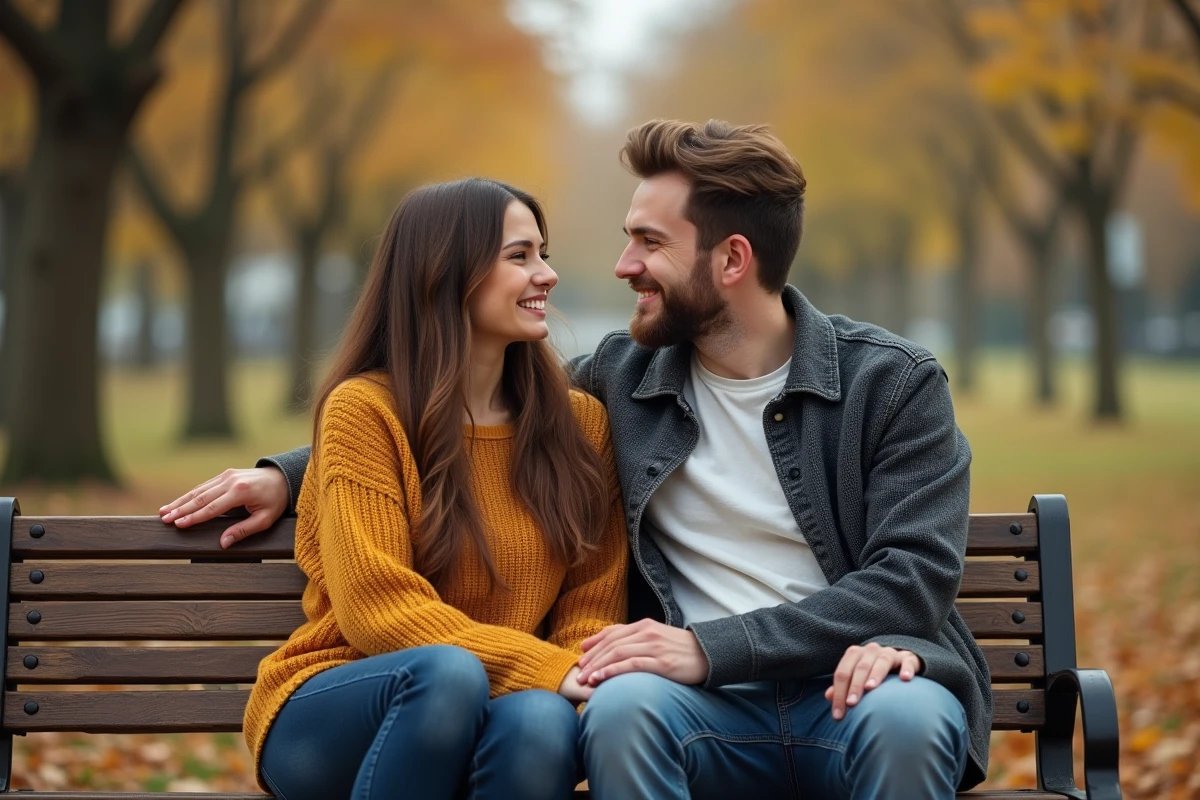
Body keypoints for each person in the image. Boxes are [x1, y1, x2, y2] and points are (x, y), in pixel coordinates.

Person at [162, 120, 991, 800]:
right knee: (613, 707)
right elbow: (437, 416)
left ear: (732, 260)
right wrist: (290, 472)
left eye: (646, 244)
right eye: (525, 255)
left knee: (903, 720)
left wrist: (707, 648)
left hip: (847, 687)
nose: (617, 266)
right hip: (672, 702)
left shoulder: (891, 383)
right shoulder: (622, 382)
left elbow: (910, 575)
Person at [218, 178, 627, 800]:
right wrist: (546, 667)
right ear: (446, 273)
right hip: (342, 707)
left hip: (501, 708)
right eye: (519, 256)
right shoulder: (366, 411)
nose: (546, 275)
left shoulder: (579, 426)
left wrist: (568, 668)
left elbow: (591, 604)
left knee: (543, 720)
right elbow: (377, 607)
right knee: (448, 675)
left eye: (543, 254)